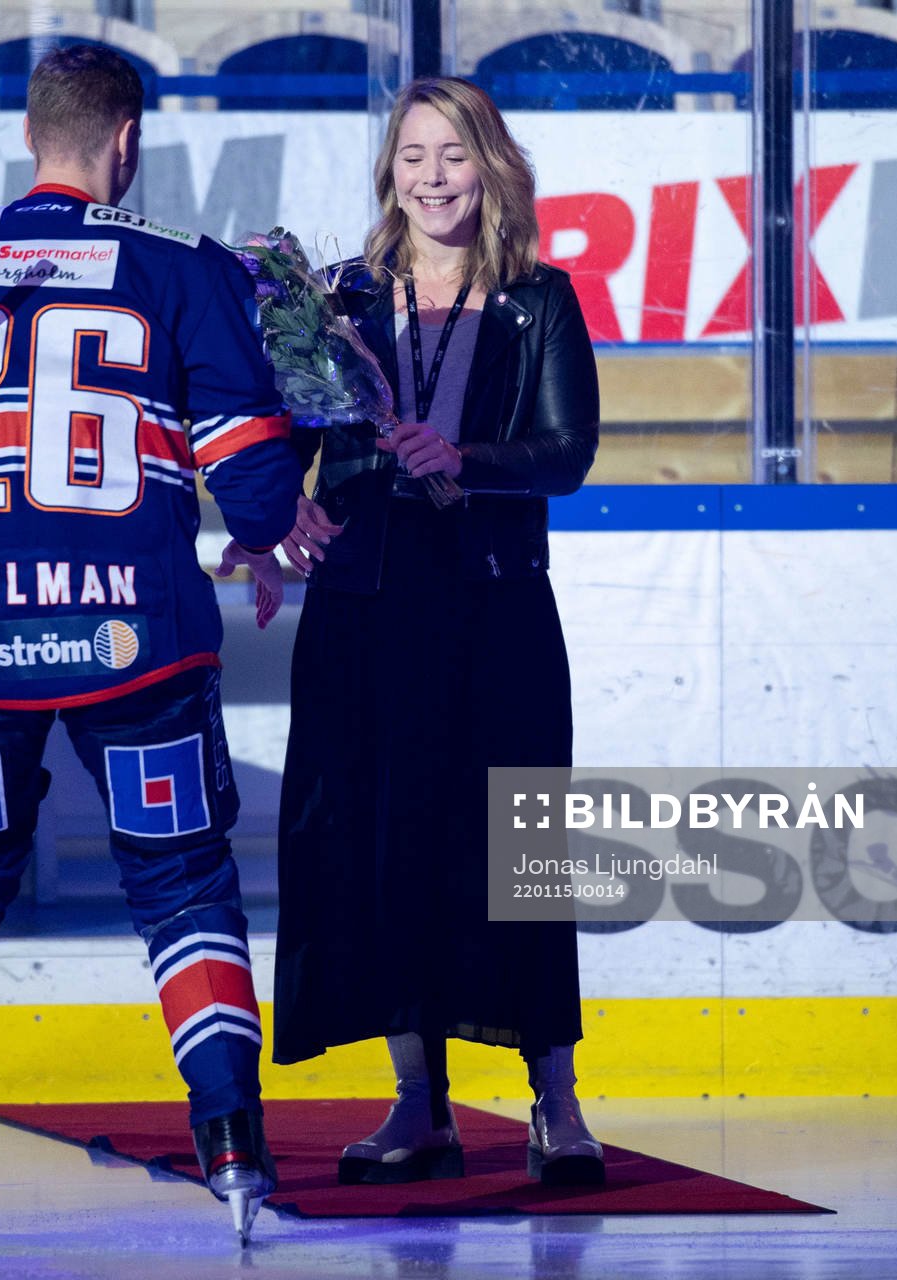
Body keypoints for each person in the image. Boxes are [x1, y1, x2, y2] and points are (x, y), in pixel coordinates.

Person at [0, 46, 299, 1242]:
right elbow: (264, 495)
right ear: (124, 141)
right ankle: (230, 1140)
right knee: (180, 882)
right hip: (134, 630)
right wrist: (279, 489)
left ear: (32, 136)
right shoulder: (180, 270)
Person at [270, 77, 606, 1187]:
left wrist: (466, 461)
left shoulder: (541, 297)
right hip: (368, 604)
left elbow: (566, 451)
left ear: (491, 166)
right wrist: (289, 508)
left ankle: (555, 1102)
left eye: (453, 154)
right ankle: (420, 1104)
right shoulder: (341, 297)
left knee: (515, 854)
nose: (431, 176)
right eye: (412, 155)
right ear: (389, 170)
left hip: (494, 601)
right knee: (380, 845)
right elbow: (282, 435)